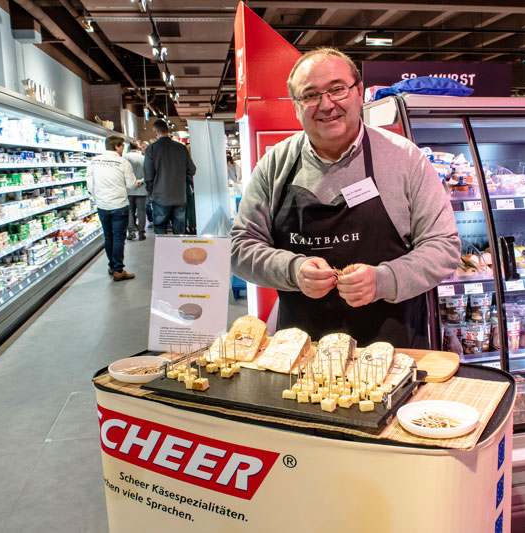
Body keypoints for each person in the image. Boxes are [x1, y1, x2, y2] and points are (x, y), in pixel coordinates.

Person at [231, 48, 460, 348]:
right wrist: (292, 270)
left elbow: (444, 247)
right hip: (301, 354)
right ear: (296, 107)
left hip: (392, 349)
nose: (327, 105)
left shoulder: (404, 159)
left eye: (337, 89)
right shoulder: (275, 165)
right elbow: (240, 247)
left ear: (359, 92)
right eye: (310, 95)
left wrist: (384, 279)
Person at [86, 136, 137, 281]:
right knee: (119, 238)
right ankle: (118, 270)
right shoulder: (123, 162)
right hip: (119, 205)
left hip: (102, 205)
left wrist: (97, 196)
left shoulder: (94, 161)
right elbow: (131, 185)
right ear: (117, 147)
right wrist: (136, 183)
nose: (123, 149)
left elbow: (89, 183)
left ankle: (112, 266)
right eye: (122, 147)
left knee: (108, 236)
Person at [144, 119, 196, 235]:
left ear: (155, 131)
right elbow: (192, 170)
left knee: (160, 229)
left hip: (160, 197)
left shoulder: (151, 149)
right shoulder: (181, 148)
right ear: (167, 130)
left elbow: (148, 175)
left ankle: (164, 253)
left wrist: (151, 192)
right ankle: (178, 253)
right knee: (179, 232)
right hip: (179, 196)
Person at [124, 140, 147, 241]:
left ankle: (131, 232)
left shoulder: (124, 158)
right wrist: (141, 181)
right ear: (138, 148)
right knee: (141, 211)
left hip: (128, 189)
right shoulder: (144, 158)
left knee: (130, 211)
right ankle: (141, 233)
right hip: (141, 189)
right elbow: (148, 173)